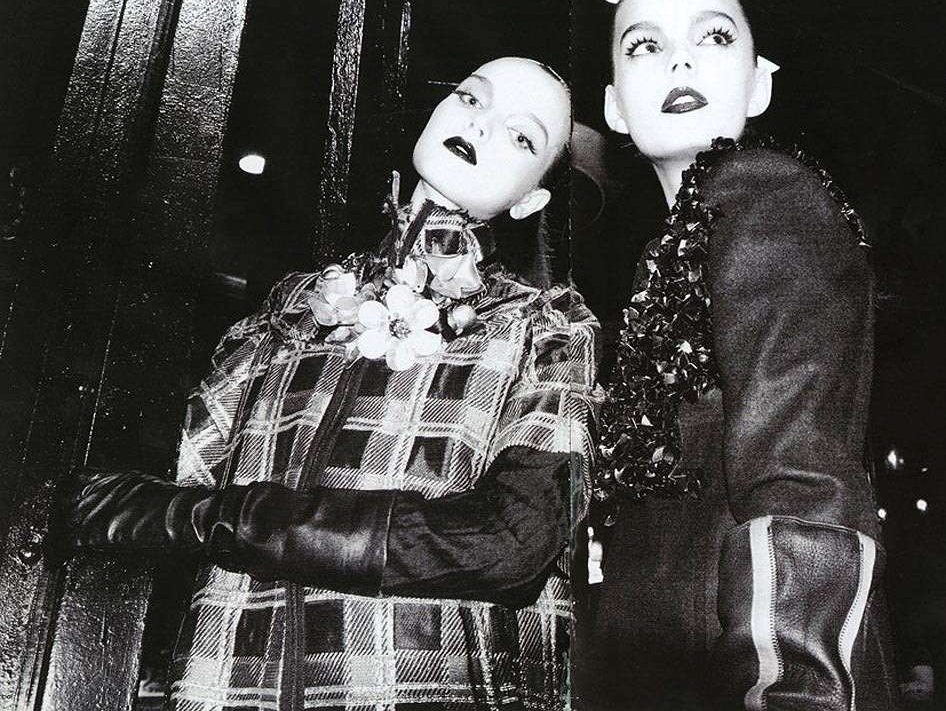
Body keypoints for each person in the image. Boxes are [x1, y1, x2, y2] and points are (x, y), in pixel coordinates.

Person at [57, 56, 602, 711]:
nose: (481, 125)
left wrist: (223, 521)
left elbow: (511, 542)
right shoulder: (295, 303)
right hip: (226, 684)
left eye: (521, 136)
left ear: (531, 199)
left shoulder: (546, 326)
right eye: (469, 98)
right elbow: (186, 464)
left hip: (411, 687)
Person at [584, 0, 899, 710]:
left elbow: (802, 478)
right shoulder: (678, 244)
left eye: (714, 37)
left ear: (759, 86)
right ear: (614, 107)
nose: (679, 60)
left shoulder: (763, 192)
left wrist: (789, 689)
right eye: (644, 46)